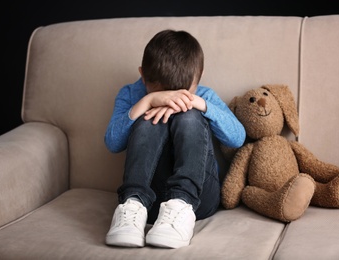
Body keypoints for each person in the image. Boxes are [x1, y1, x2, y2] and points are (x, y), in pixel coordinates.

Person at [104, 29, 246, 249]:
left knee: (189, 114)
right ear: (142, 75)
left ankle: (181, 203)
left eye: (183, 93)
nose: (173, 100)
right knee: (147, 118)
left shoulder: (205, 95)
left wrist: (200, 105)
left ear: (199, 76)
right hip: (150, 201)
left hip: (197, 200)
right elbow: (112, 143)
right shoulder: (131, 94)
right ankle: (132, 203)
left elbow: (237, 138)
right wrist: (147, 102)